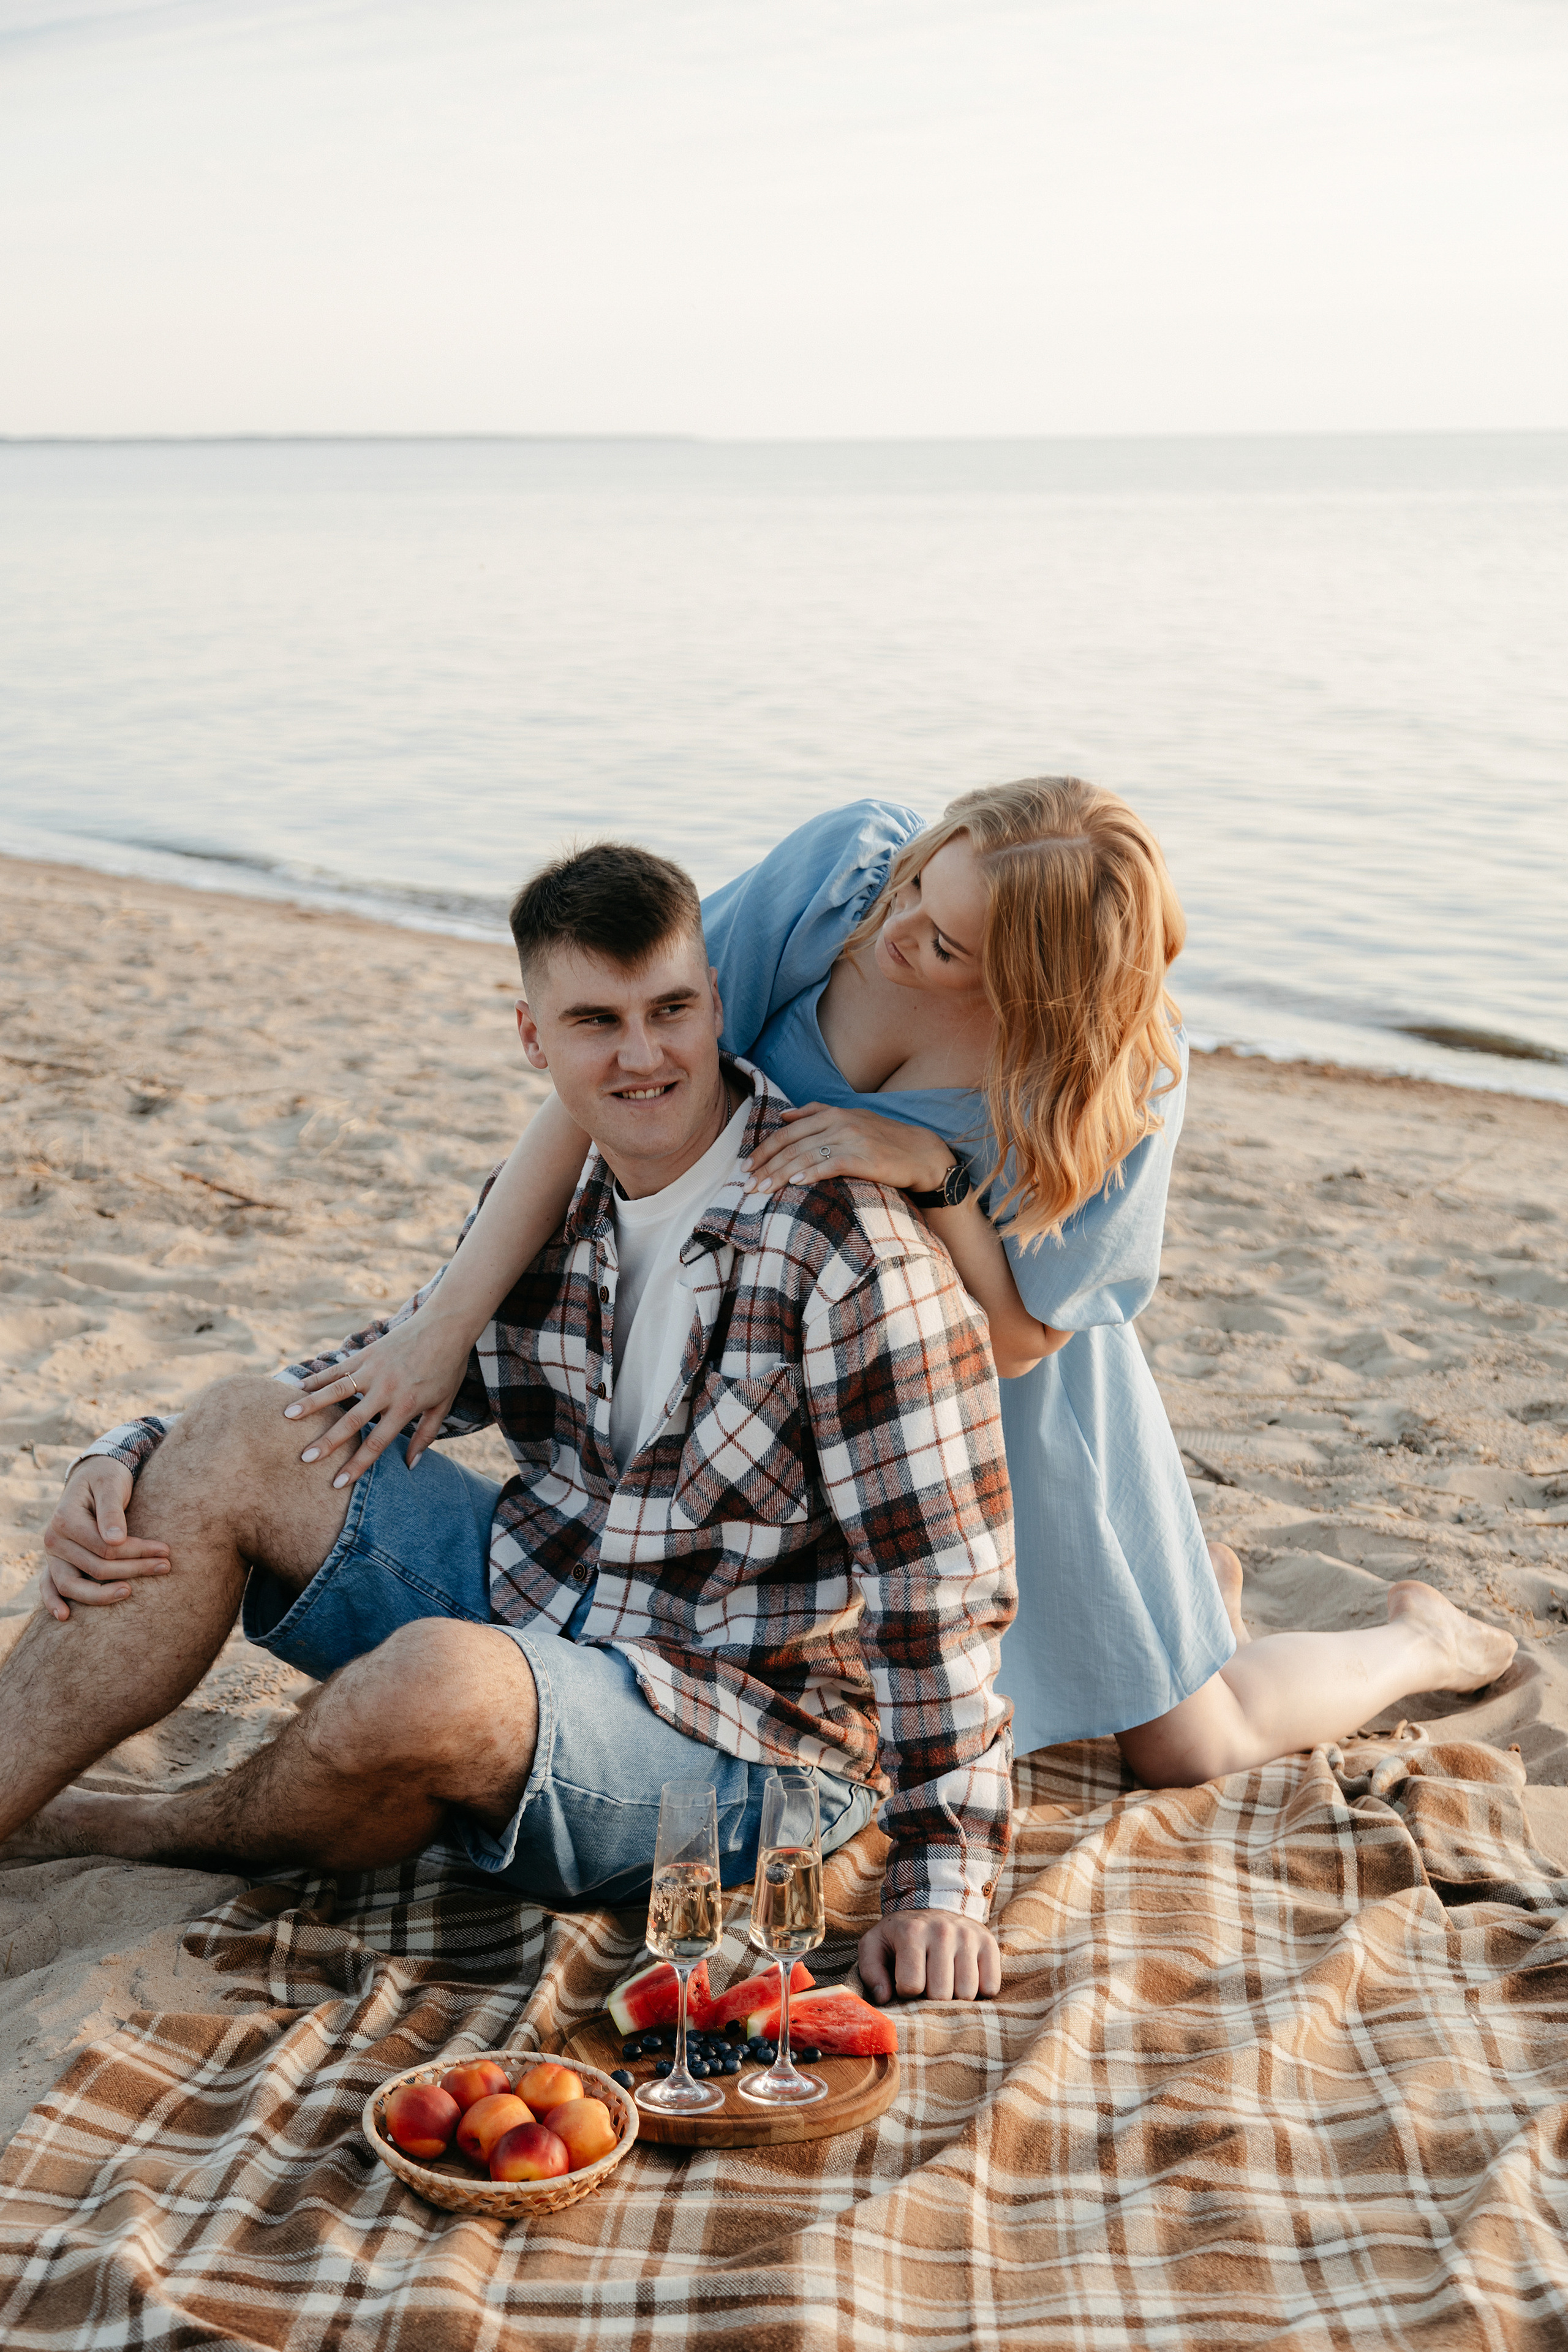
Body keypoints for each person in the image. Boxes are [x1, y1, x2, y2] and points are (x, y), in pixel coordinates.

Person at [250, 782, 1516, 1785]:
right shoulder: (837, 876)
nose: (895, 922)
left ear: (1038, 979)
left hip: (992, 1401)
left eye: (944, 937)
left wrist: (933, 1177)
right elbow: (609, 1087)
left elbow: (1023, 1341)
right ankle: (1195, 1595)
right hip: (770, 1359)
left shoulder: (1118, 1078)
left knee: (1185, 1749)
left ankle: (1416, 1640)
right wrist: (441, 1323)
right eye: (919, 881)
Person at [9, 842, 1019, 2005]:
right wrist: (133, 1455)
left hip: (747, 1735)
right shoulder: (545, 1201)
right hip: (555, 1597)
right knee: (234, 1426)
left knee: (429, 1682)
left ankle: (160, 1830)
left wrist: (944, 1880)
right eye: (597, 1021)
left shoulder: (852, 1254)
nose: (644, 1056)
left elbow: (940, 1582)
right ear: (534, 1037)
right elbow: (378, 1377)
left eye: (672, 1011)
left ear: (716, 1005)